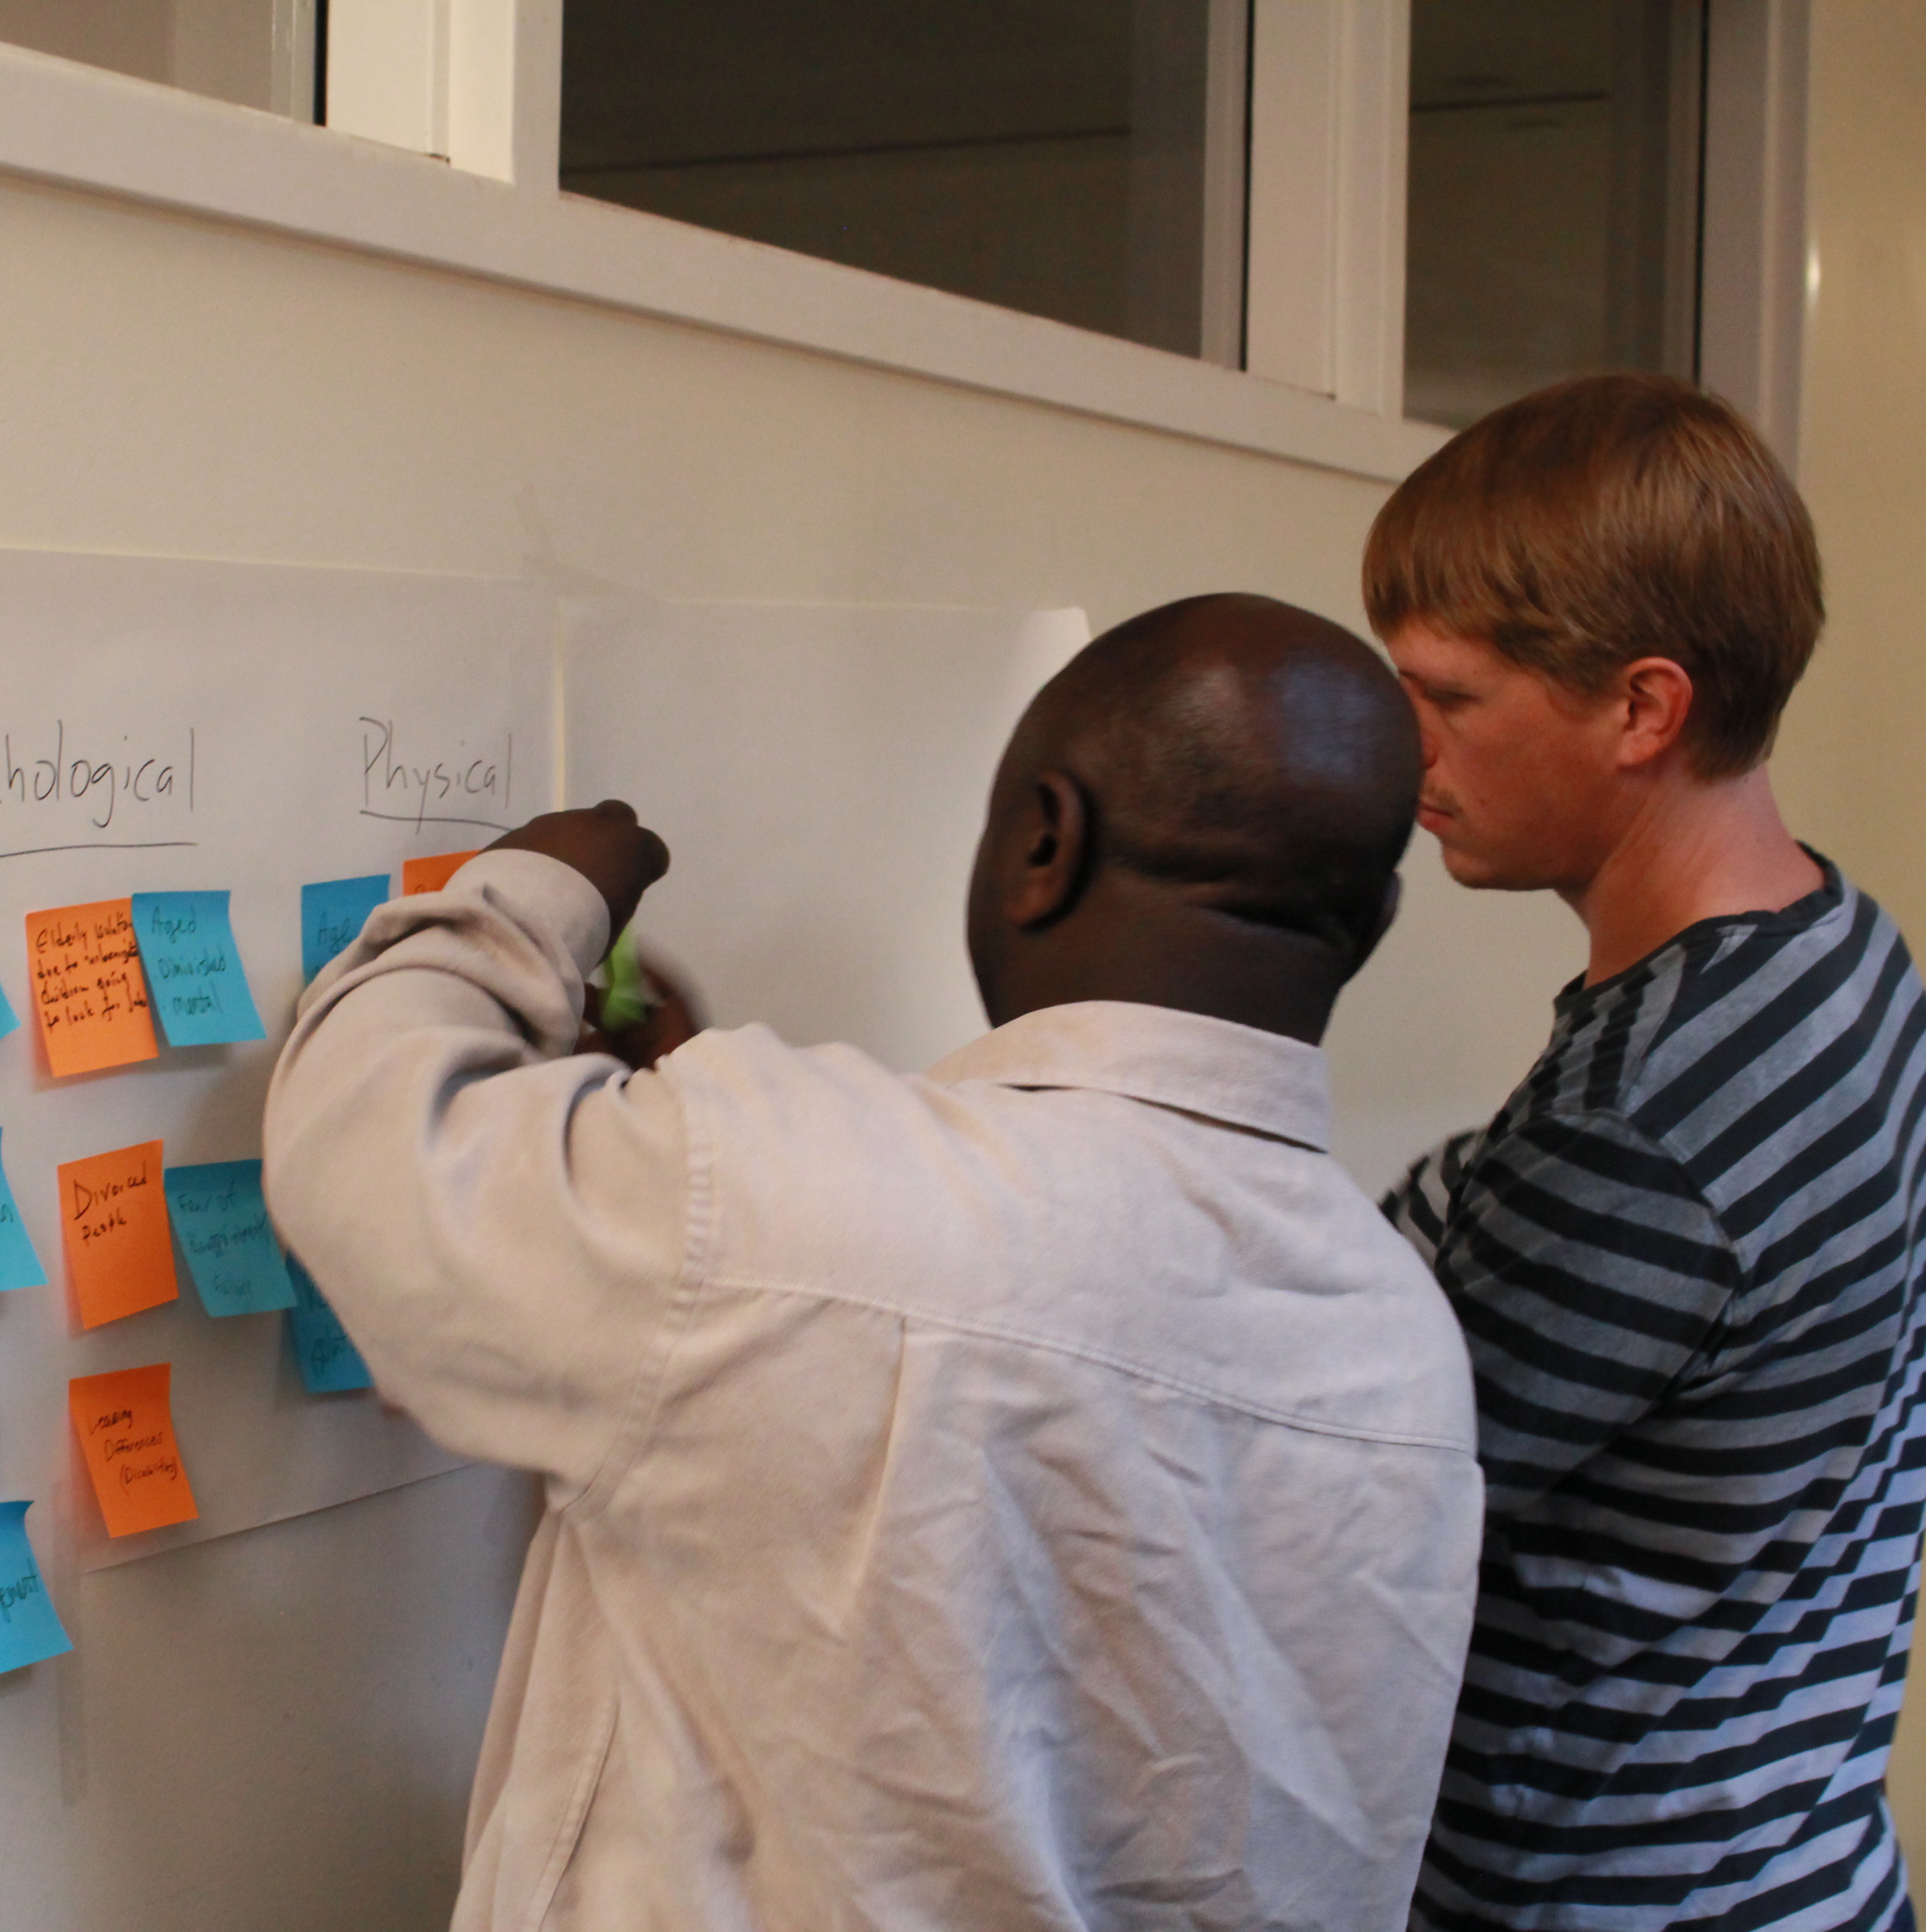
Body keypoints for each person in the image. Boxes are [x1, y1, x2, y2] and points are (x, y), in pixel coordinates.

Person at [264, 595, 1483, 1931]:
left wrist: (530, 897)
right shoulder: (1406, 1347)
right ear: (1370, 926)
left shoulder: (785, 1198)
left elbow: (370, 1147)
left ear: (1042, 842)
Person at [1365, 375, 1926, 1932]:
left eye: (1451, 698)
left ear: (1644, 708)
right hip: (1790, 1865)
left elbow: (1340, 1494)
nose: (1399, 746)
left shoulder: (1653, 1117)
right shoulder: (1835, 945)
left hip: (1629, 1897)